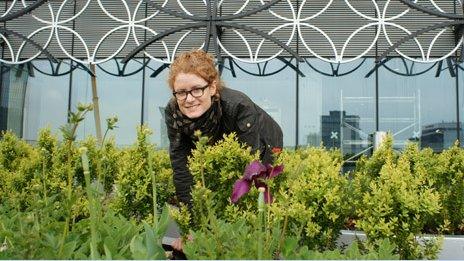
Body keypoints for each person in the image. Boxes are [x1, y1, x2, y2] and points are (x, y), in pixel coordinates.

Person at [164, 50, 283, 250]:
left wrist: (222, 231)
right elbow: (182, 170)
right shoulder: (173, 112)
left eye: (197, 89)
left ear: (212, 87)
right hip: (218, 143)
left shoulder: (239, 106)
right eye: (181, 92)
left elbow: (244, 171)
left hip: (265, 143)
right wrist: (191, 230)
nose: (189, 98)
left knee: (255, 189)